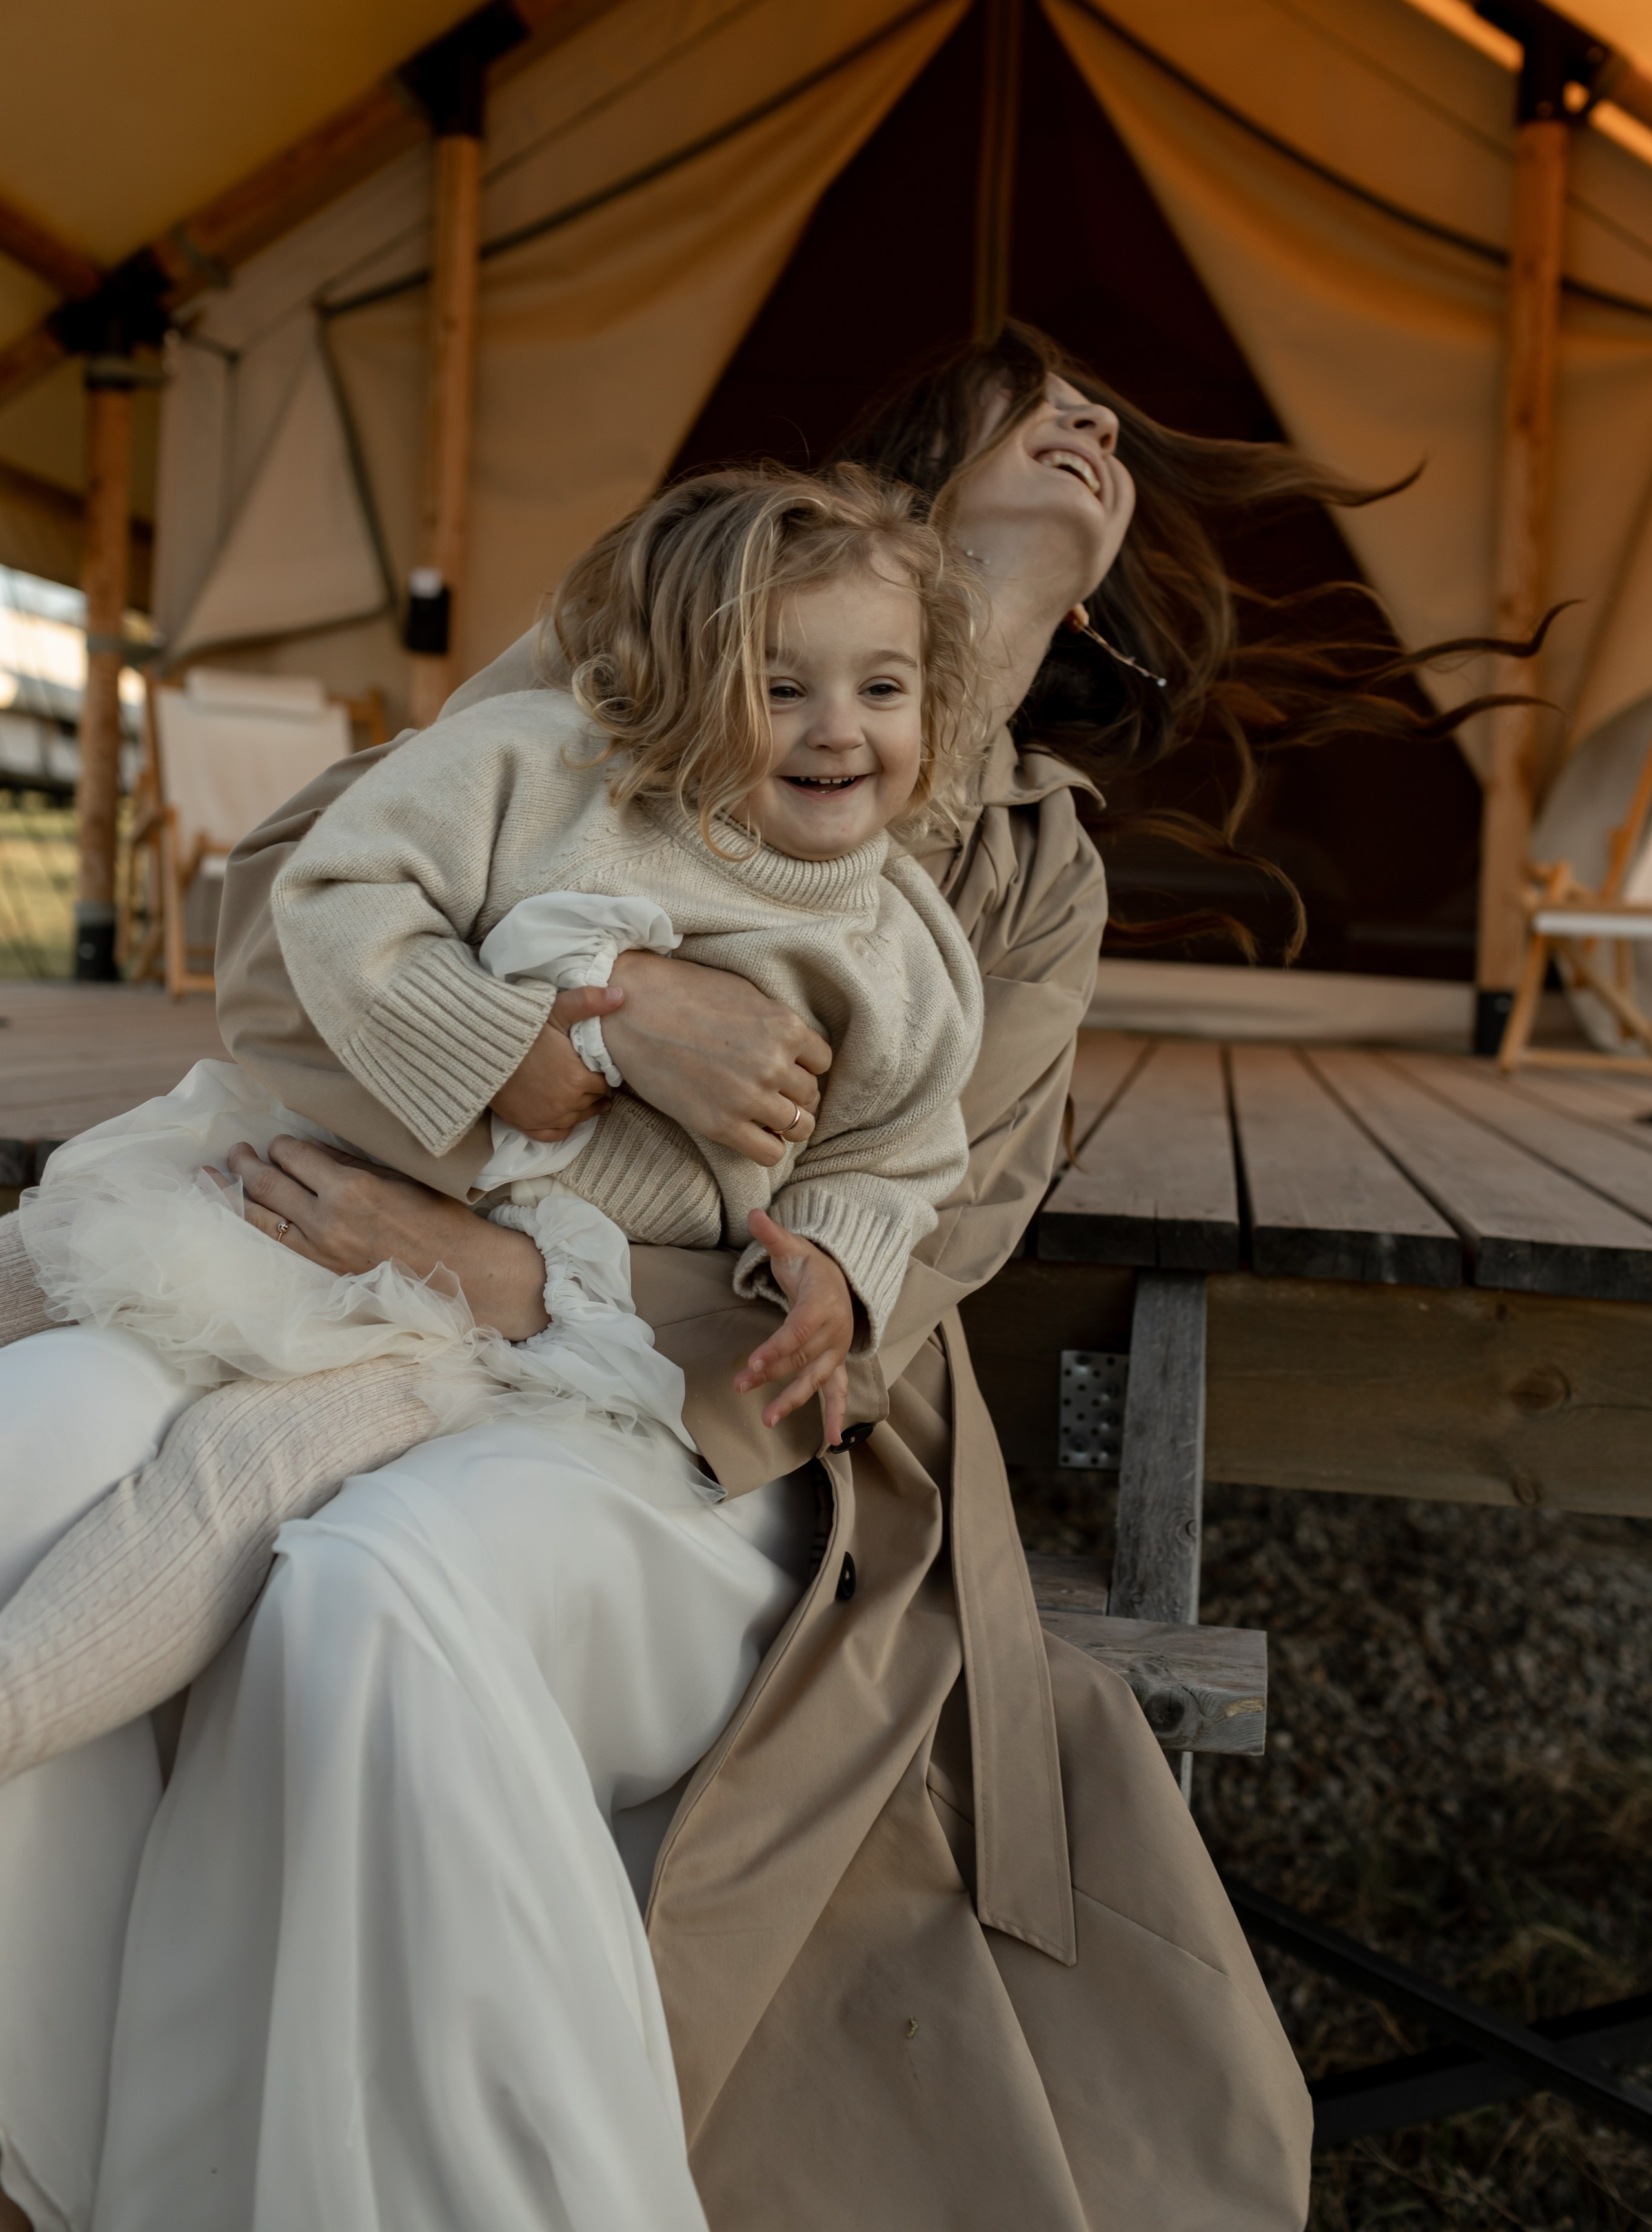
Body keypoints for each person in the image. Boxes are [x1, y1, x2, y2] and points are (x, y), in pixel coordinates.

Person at [1, 318, 1496, 2230]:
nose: (1085, 428)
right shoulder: (618, 680)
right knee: (34, 1435)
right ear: (853, 502)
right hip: (320, 1240)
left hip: (676, 1411)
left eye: (904, 677)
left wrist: (514, 1275)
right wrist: (610, 1010)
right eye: (1021, 417)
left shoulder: (1018, 887)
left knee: (372, 1592)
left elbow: (904, 1241)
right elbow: (286, 944)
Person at [0, 464, 990, 1795]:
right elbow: (339, 890)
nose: (835, 730)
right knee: (40, 1275)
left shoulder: (901, 952)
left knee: (244, 1467)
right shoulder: (547, 769)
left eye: (881, 689)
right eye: (777, 685)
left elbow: (896, 1151)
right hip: (331, 1178)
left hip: (524, 1325)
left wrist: (831, 1267)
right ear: (687, 676)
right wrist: (513, 1045)